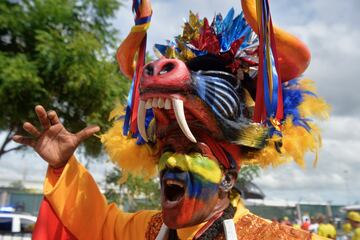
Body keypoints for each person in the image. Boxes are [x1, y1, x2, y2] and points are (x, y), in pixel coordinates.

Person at [13, 0, 330, 239]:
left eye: (193, 151)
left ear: (228, 178)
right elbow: (88, 224)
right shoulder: (147, 230)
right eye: (167, 146)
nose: (171, 162)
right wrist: (61, 166)